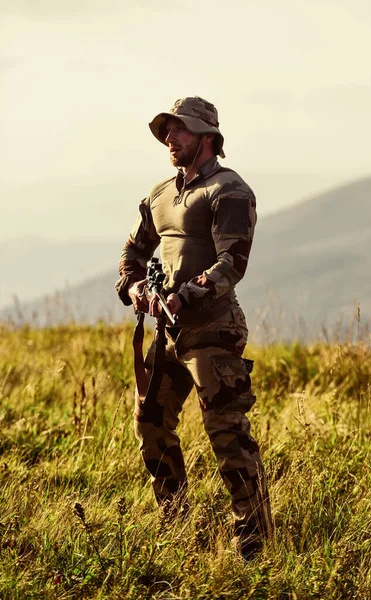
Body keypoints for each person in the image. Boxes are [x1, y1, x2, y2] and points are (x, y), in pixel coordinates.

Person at [115, 96, 272, 557]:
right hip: (166, 332)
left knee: (227, 433)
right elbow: (132, 252)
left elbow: (232, 264)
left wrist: (188, 294)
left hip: (213, 331)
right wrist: (134, 287)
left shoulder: (231, 190)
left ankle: (255, 546)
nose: (170, 137)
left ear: (207, 137)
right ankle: (178, 528)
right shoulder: (160, 193)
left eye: (179, 129)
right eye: (166, 129)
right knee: (150, 424)